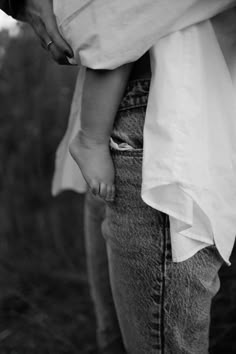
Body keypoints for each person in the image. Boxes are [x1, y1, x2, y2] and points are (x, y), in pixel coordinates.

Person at [3, 1, 236, 353]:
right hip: (118, 118)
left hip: (166, 116)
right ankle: (92, 139)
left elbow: (108, 24)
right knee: (113, 339)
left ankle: (92, 139)